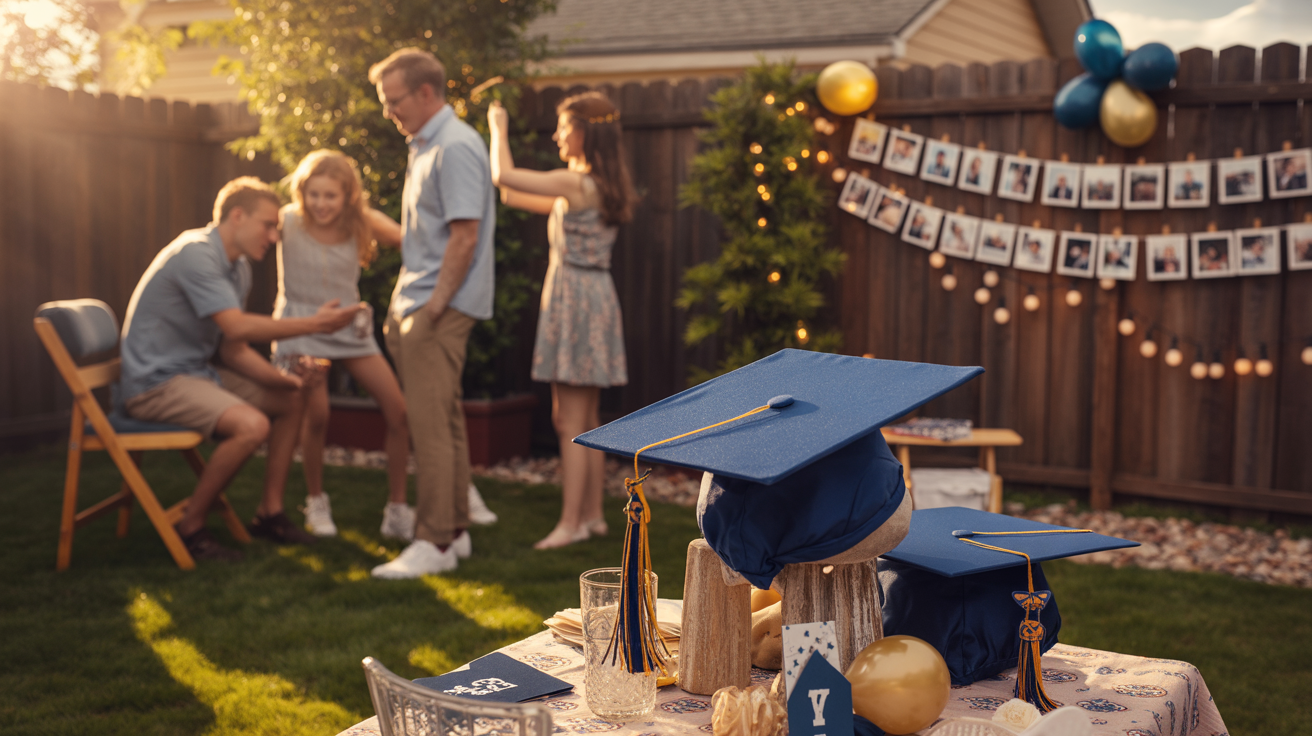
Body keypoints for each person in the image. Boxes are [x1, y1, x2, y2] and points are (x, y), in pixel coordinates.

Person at [119, 177, 361, 561]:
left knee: (290, 398)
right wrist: (314, 324)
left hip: (196, 374)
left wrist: (286, 380)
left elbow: (232, 350)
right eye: (267, 225)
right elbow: (236, 326)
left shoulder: (239, 268)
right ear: (237, 216)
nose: (274, 235)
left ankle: (269, 513)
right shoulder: (196, 253)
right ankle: (190, 528)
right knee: (252, 425)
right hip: (156, 384)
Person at [368, 48, 497, 578]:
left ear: (426, 92)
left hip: (435, 307)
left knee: (429, 427)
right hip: (418, 300)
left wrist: (432, 309)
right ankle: (458, 531)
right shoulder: (425, 145)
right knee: (443, 418)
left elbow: (464, 237)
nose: (388, 112)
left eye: (393, 100)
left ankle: (434, 541)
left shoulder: (456, 146)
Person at [488, 91, 636, 549]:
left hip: (575, 299)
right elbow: (512, 193)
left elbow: (503, 174)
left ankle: (570, 524)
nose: (556, 135)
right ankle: (592, 516)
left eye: (564, 126)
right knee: (585, 417)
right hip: (594, 297)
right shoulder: (592, 186)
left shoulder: (577, 184)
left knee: (570, 421)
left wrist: (498, 126)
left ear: (586, 131)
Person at [271, 149, 418, 538]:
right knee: (316, 414)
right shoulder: (286, 220)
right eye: (314, 194)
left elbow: (412, 243)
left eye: (330, 196)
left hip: (350, 328)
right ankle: (316, 501)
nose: (321, 204)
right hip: (301, 327)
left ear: (348, 195)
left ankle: (398, 508)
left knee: (398, 411)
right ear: (302, 191)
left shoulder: (361, 222)